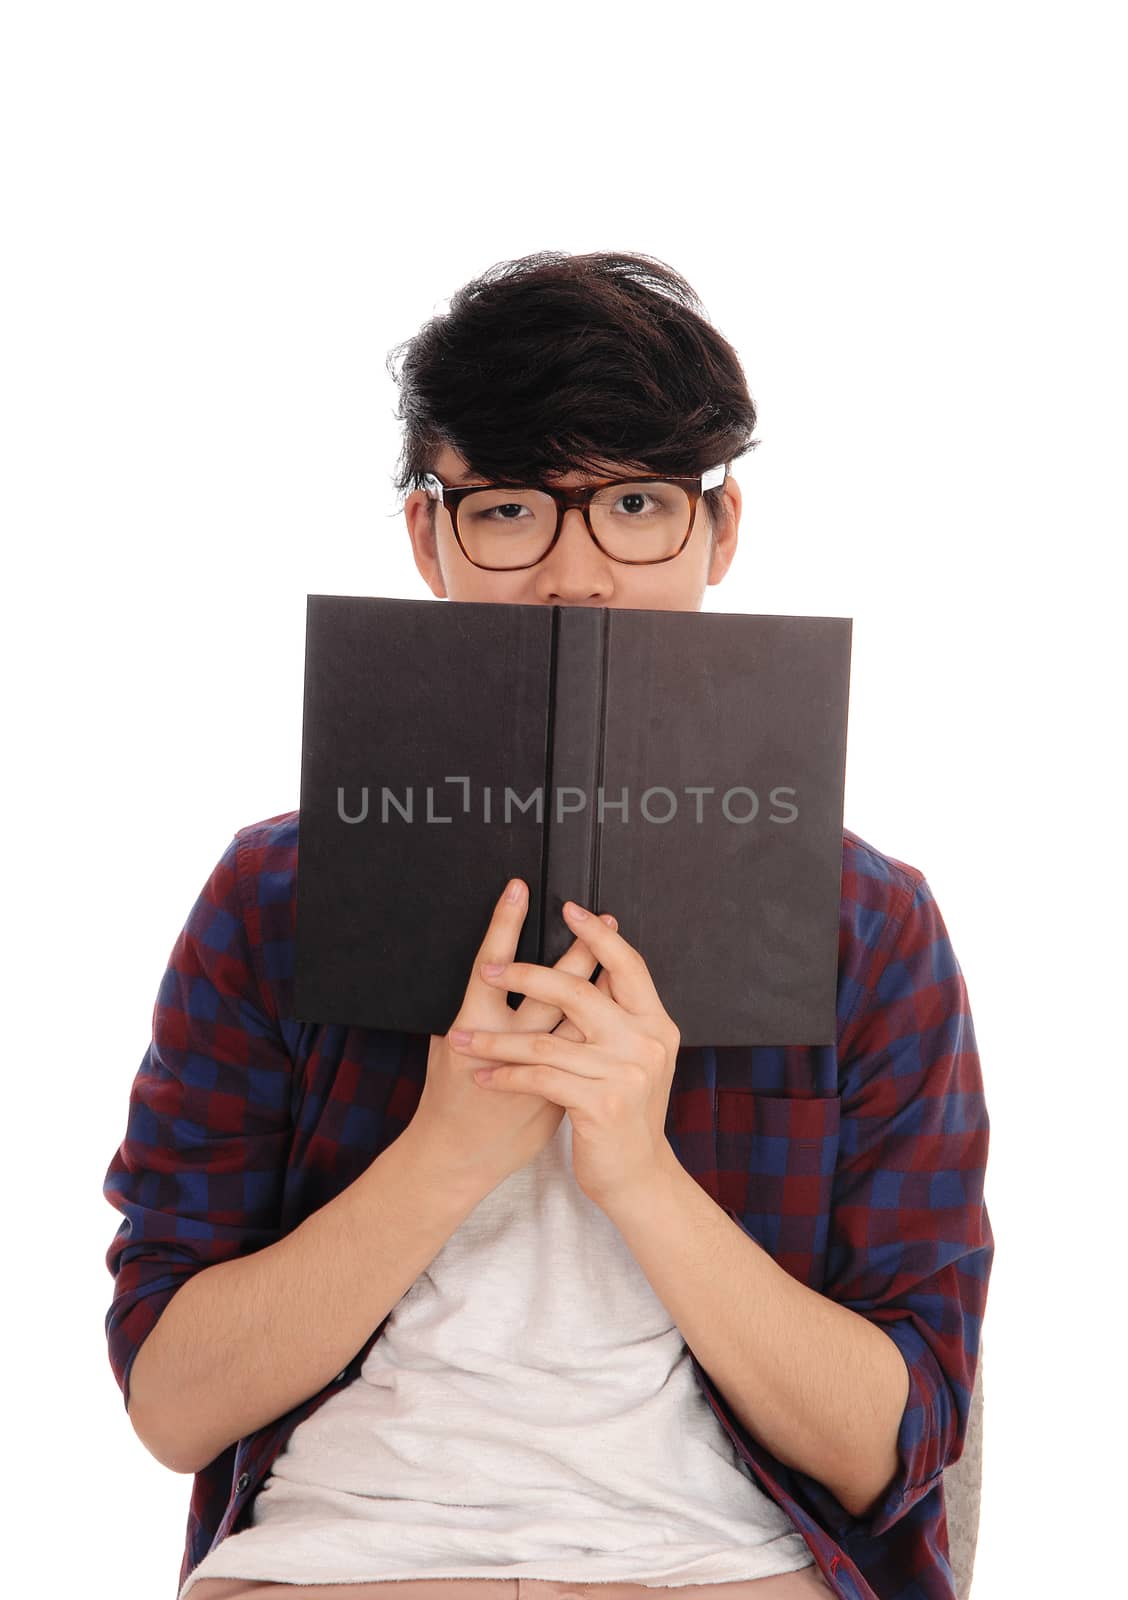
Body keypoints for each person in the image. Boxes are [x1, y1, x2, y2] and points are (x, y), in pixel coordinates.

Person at [102, 251, 993, 1600]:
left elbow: (896, 1444)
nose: (578, 576)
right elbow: (173, 1408)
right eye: (512, 509)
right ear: (428, 537)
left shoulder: (865, 926)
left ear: (719, 530)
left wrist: (635, 1165)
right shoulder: (271, 901)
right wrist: (453, 1145)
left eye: (637, 503)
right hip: (339, 1563)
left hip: (727, 1569)